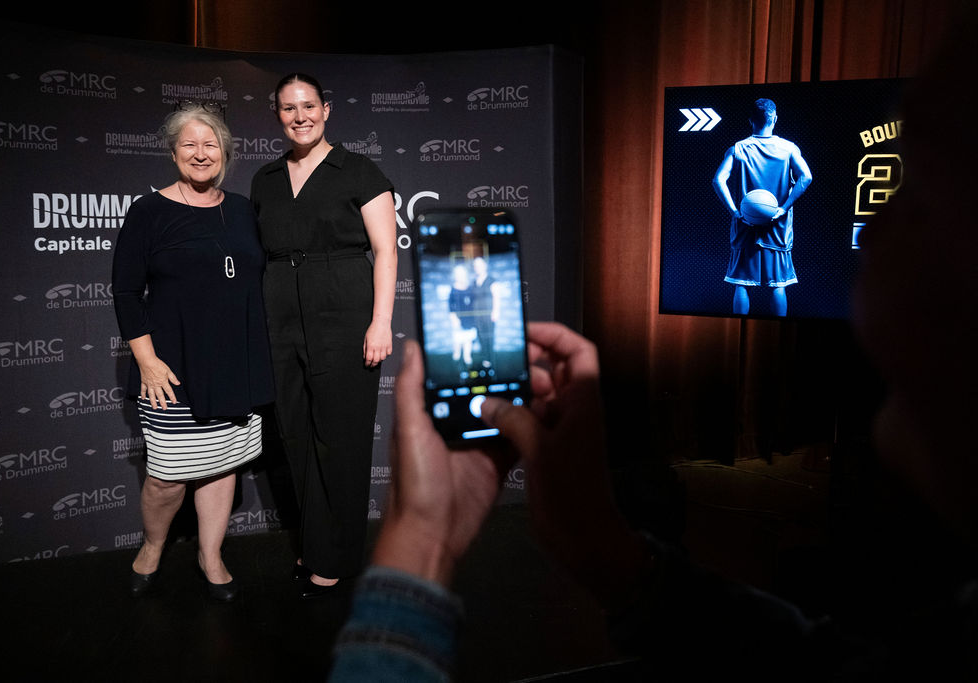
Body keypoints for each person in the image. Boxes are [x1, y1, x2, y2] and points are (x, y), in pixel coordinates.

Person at [328, 7, 978, 676]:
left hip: (757, 227)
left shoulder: (754, 151)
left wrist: (421, 542)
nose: (877, 229)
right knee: (768, 285)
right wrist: (602, 547)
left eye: (921, 192)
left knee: (752, 284)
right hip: (767, 229)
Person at [112, 102, 274, 602]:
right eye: (189, 144)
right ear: (173, 152)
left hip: (235, 362)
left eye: (211, 144)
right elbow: (125, 292)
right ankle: (152, 546)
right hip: (172, 366)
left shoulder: (243, 209)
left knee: (223, 466)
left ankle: (211, 554)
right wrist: (146, 361)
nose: (201, 153)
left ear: (225, 151)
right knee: (168, 478)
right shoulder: (149, 211)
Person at [250, 72, 398, 598]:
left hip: (344, 310)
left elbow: (386, 250)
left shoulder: (358, 170)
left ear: (326, 109)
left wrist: (380, 321)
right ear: (277, 115)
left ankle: (337, 556)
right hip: (280, 315)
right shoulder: (266, 178)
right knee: (296, 435)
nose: (300, 116)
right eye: (289, 108)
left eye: (308, 105)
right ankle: (317, 545)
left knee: (342, 437)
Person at [713, 98, 812, 316]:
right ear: (775, 119)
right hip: (778, 227)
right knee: (779, 284)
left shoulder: (738, 148)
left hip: (745, 224)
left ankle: (738, 330)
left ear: (750, 120)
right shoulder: (789, 148)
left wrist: (734, 212)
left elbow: (718, 180)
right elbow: (806, 177)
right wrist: (783, 208)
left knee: (741, 284)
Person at [468, 256, 500, 372]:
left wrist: (495, 312)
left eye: (480, 265)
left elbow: (496, 297)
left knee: (489, 338)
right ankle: (485, 360)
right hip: (477, 315)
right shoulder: (474, 282)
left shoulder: (492, 280)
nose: (477, 268)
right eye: (475, 266)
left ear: (485, 266)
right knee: (480, 337)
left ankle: (491, 361)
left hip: (489, 315)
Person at [447, 263, 477, 371]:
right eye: (458, 273)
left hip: (469, 319)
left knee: (468, 339)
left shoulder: (469, 287)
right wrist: (454, 318)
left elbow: (473, 303)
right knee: (458, 339)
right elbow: (450, 306)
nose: (460, 276)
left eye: (462, 273)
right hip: (457, 319)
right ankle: (457, 356)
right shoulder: (453, 289)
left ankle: (467, 357)